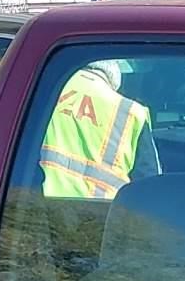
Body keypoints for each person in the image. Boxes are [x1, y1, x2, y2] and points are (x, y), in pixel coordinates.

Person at [39, 58, 151, 199]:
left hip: (32, 207)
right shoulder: (132, 112)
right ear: (115, 72)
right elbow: (149, 187)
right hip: (98, 215)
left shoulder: (42, 92)